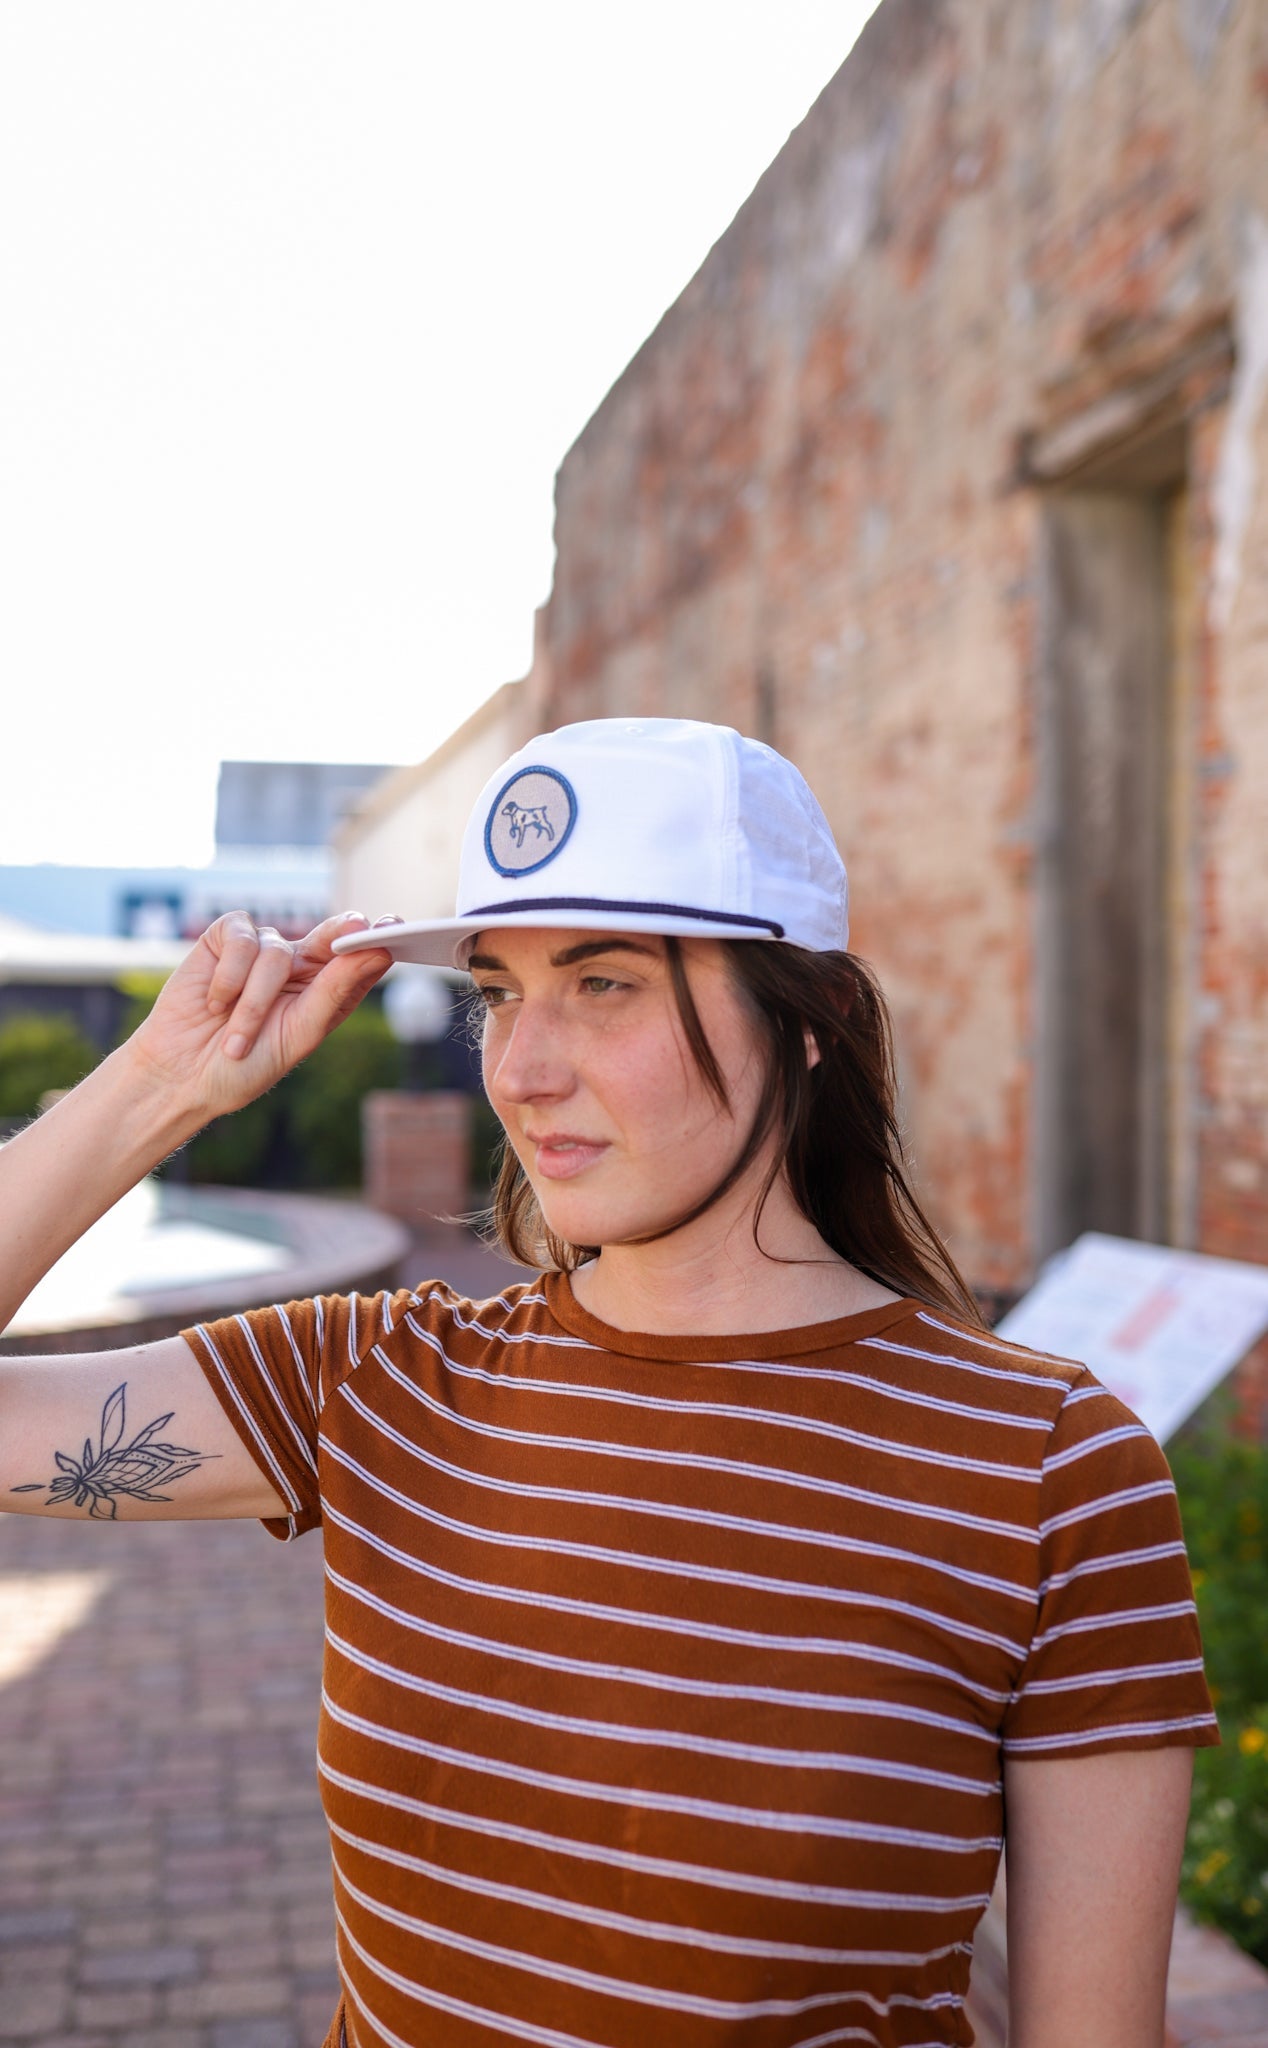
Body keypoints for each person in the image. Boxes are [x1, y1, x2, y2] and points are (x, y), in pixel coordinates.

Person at [0, 717, 1216, 2048]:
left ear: (809, 1022)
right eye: (499, 989)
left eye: (607, 983)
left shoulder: (1047, 1469)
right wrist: (158, 1089)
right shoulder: (376, 1381)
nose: (520, 1070)